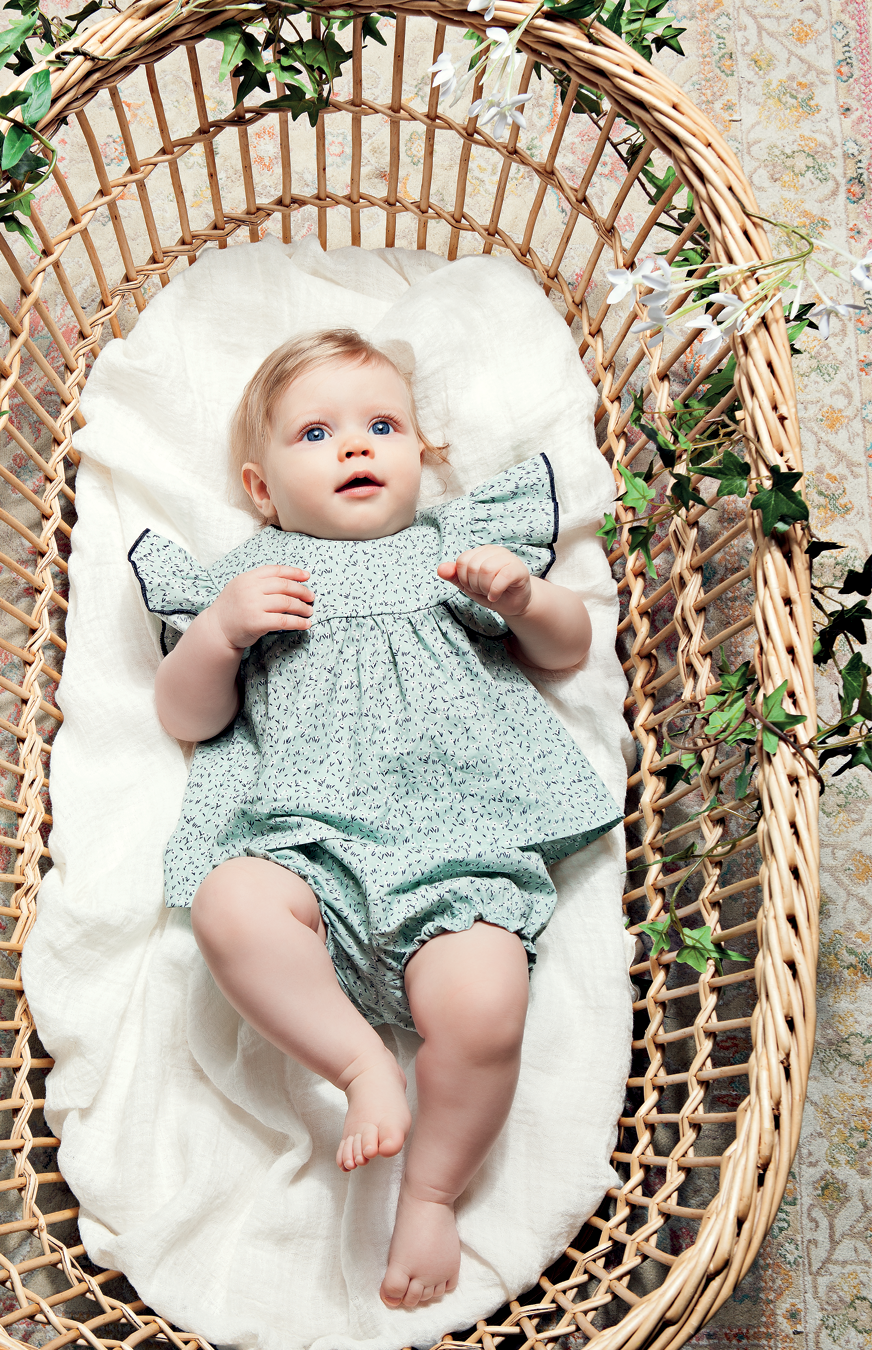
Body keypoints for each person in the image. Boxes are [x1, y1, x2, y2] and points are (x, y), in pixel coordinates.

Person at [128, 329, 621, 1313]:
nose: (356, 446)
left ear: (421, 455)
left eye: (383, 426)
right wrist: (220, 633)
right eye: (317, 434)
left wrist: (526, 596)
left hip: (456, 859)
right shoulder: (253, 577)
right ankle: (361, 1066)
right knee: (229, 903)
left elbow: (567, 651)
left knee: (486, 1011)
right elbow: (187, 718)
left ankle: (430, 1194)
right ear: (262, 489)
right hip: (306, 855)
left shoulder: (454, 553)